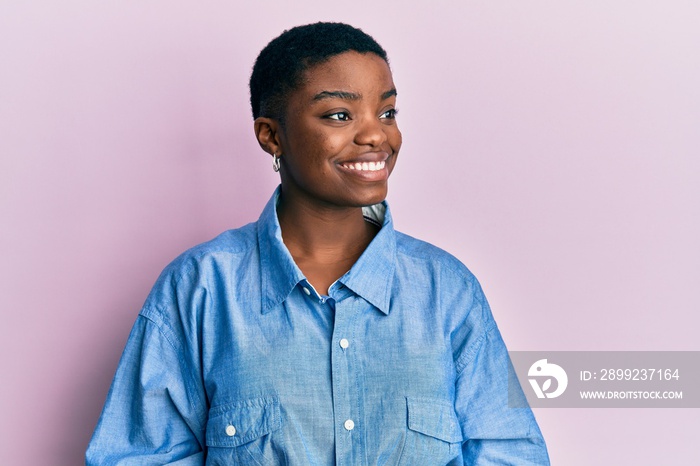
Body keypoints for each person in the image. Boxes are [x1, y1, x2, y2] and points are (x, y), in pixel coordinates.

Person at [86, 22, 549, 465]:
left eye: (387, 112)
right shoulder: (200, 288)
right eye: (339, 115)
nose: (375, 135)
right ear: (272, 136)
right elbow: (140, 455)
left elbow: (509, 453)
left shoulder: (446, 288)